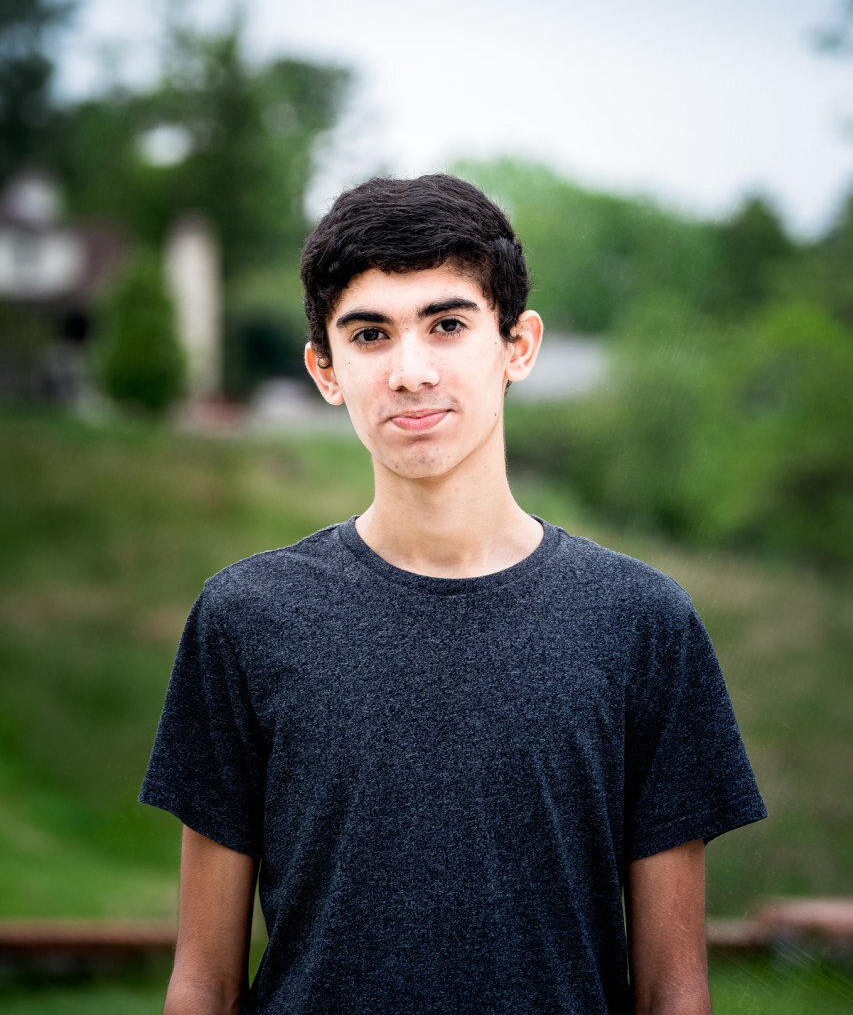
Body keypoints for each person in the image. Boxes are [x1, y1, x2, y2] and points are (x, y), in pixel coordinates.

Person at [140, 172, 766, 1015]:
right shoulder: (246, 620)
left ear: (517, 344)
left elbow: (674, 990)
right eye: (369, 334)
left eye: (446, 324)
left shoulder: (641, 624)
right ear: (325, 370)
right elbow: (204, 980)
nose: (409, 370)